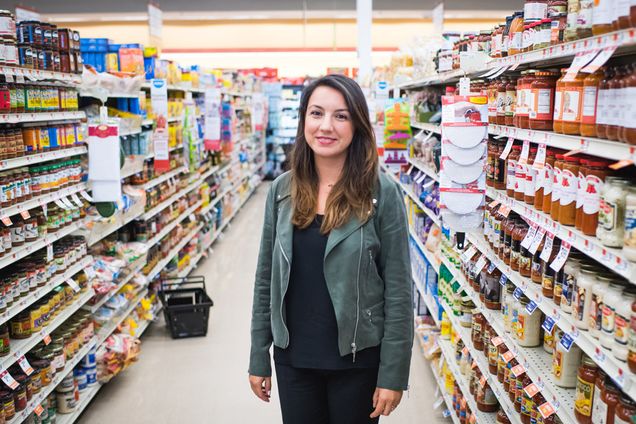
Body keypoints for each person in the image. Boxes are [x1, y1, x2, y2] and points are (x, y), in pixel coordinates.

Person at [248, 74, 413, 423]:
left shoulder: (382, 194)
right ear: (303, 119)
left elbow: (398, 291)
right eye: (316, 113)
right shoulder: (281, 191)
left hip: (358, 361)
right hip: (294, 360)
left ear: (357, 125)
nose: (326, 126)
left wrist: (393, 374)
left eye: (341, 116)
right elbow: (266, 279)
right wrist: (258, 356)